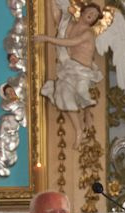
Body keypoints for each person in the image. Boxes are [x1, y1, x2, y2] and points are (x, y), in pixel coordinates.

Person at [36, 2, 104, 146]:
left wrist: (46, 38)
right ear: (83, 12)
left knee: (81, 92)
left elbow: (70, 42)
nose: (91, 16)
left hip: (83, 72)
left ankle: (87, 113)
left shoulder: (88, 33)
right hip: (69, 69)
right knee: (63, 95)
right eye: (90, 12)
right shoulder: (70, 25)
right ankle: (79, 130)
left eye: (94, 16)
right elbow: (58, 18)